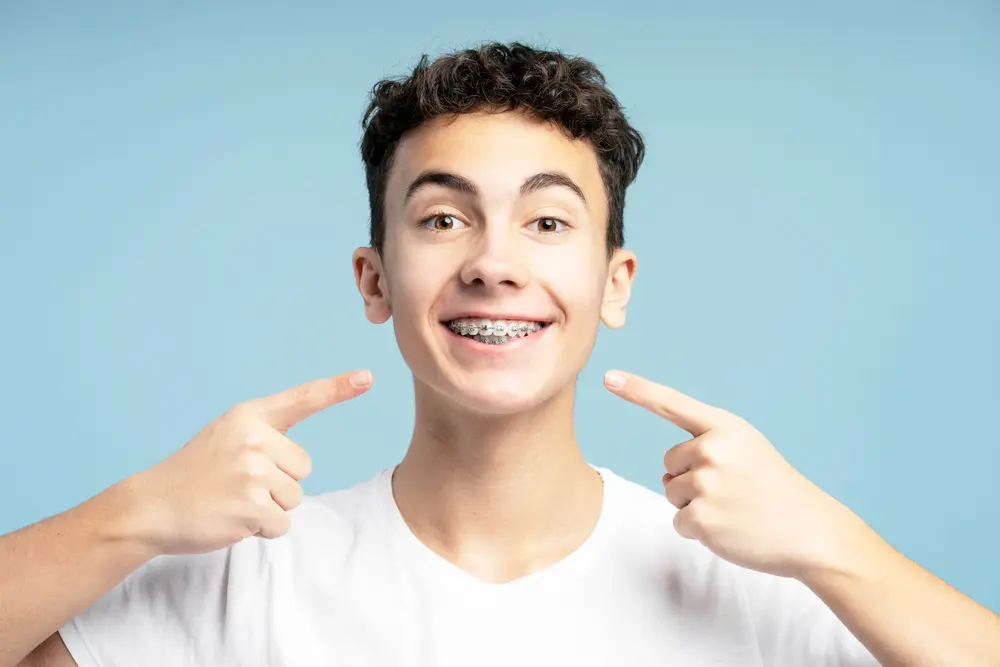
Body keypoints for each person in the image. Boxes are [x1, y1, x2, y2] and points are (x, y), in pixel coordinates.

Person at [5, 42, 999, 667]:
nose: (492, 263)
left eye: (548, 223)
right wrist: (131, 517)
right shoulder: (238, 583)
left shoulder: (759, 583)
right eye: (443, 217)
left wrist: (834, 545)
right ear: (373, 279)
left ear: (616, 282)